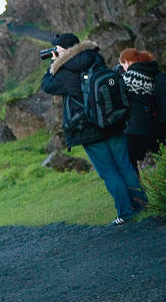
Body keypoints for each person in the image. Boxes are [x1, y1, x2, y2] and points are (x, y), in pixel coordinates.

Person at [41, 33, 147, 226]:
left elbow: (47, 85)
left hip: (89, 129)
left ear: (63, 49)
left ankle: (126, 212)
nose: (53, 53)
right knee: (124, 166)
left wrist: (55, 64)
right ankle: (142, 206)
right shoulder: (94, 58)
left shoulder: (66, 71)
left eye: (56, 50)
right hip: (113, 122)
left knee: (109, 172)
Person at [118, 48, 160, 171]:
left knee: (129, 162)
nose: (123, 68)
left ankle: (137, 188)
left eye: (122, 65)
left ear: (128, 62)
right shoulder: (152, 72)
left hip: (135, 126)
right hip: (156, 122)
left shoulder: (128, 78)